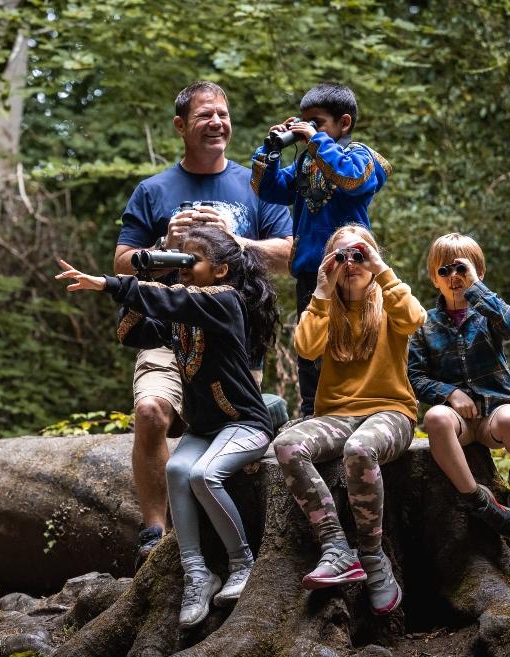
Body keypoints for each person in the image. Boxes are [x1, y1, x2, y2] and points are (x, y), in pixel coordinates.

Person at [58, 225, 280, 628]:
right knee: (177, 470)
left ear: (221, 271)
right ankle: (198, 573)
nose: (182, 266)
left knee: (203, 474)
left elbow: (175, 300)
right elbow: (130, 333)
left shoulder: (225, 301)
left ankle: (241, 563)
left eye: (190, 259)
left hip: (243, 422)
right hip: (205, 428)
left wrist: (112, 283)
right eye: (180, 257)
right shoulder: (182, 317)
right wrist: (147, 275)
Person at [113, 80, 292, 566]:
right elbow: (123, 261)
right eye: (203, 116)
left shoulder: (255, 186)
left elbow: (290, 253)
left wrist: (236, 240)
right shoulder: (153, 191)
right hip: (169, 330)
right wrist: (161, 249)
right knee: (151, 411)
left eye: (222, 114)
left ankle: (227, 547)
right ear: (180, 126)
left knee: (226, 433)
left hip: (232, 338)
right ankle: (155, 535)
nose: (216, 122)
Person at [272, 224, 425, 616]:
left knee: (360, 450)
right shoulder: (325, 305)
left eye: (359, 254)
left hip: (390, 411)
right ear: (329, 264)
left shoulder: (389, 299)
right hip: (337, 414)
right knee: (287, 444)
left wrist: (383, 270)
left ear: (374, 258)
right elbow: (305, 348)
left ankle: (373, 558)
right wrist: (323, 290)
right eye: (341, 257)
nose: (351, 263)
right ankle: (337, 547)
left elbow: (414, 319)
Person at [250, 82, 391, 417]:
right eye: (304, 122)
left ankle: (364, 406)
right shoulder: (305, 164)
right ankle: (313, 410)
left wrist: (315, 141)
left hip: (354, 269)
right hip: (312, 270)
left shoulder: (361, 155)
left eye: (317, 122)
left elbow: (353, 180)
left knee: (357, 338)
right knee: (311, 345)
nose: (307, 129)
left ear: (344, 122)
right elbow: (266, 189)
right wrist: (270, 149)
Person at [407, 233, 510, 540]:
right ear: (433, 278)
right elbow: (416, 377)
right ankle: (477, 500)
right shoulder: (424, 325)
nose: (453, 277)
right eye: (444, 271)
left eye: (461, 270)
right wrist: (450, 393)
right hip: (460, 423)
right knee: (436, 418)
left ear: (478, 273)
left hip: (495, 415)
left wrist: (476, 287)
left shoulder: (488, 313)